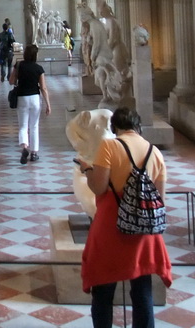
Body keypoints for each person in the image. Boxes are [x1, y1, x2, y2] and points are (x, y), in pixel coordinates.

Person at [76, 107, 171, 328]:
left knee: (103, 291)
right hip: (143, 231)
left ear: (114, 127)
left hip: (112, 227)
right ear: (138, 126)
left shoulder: (110, 146)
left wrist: (87, 171)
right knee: (142, 292)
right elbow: (160, 199)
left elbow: (99, 188)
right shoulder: (154, 152)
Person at [8, 44, 51, 163]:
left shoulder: (19, 65)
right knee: (34, 126)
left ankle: (24, 147)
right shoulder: (39, 68)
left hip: (22, 98)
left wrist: (18, 78)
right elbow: (43, 88)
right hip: (35, 99)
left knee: (23, 126)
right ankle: (34, 153)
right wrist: (48, 104)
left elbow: (11, 81)